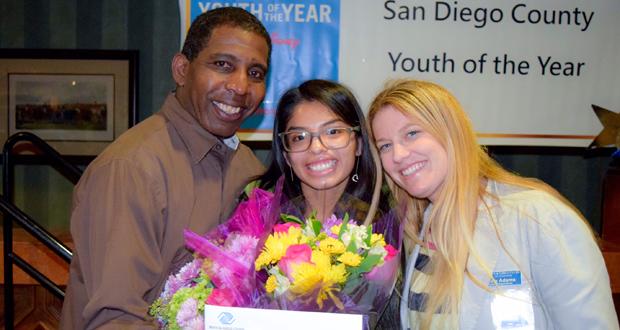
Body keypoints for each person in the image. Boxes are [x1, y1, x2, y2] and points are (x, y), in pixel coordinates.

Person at [60, 7, 271, 328]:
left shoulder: (250, 169)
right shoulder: (131, 168)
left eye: (255, 73)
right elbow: (114, 320)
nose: (241, 87)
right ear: (182, 69)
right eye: (223, 65)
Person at [368, 79, 619, 330]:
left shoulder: (538, 218)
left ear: (451, 132)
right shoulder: (419, 233)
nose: (398, 155)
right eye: (385, 146)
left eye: (412, 133)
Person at [257, 79, 399, 329]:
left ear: (359, 144)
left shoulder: (389, 227)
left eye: (333, 132)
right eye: (299, 137)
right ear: (287, 155)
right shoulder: (260, 223)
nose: (317, 148)